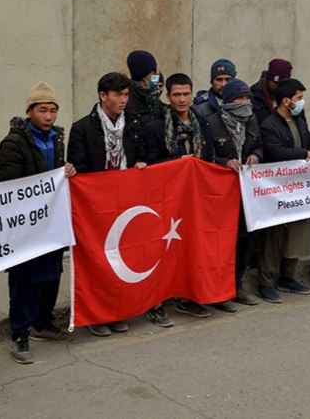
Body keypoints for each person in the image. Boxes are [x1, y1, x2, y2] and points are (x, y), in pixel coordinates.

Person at [0, 81, 76, 364]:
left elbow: (57, 176)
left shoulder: (57, 138)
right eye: (43, 110)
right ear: (30, 111)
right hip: (25, 226)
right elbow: (7, 185)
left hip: (52, 222)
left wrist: (67, 170)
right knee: (25, 280)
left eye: (53, 110)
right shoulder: (14, 143)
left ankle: (43, 322)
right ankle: (19, 335)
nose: (49, 116)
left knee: (52, 274)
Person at [67, 71, 150, 334]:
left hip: (126, 201)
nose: (123, 100)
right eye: (117, 95)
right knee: (97, 260)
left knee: (123, 257)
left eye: (126, 95)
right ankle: (96, 316)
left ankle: (118, 311)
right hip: (96, 206)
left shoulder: (135, 123)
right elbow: (78, 168)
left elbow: (142, 154)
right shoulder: (82, 128)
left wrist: (140, 164)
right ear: (103, 96)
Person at [142, 73, 215, 317]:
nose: (182, 99)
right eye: (176, 95)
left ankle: (187, 296)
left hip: (194, 199)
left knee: (189, 250)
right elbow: (151, 163)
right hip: (165, 199)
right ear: (168, 96)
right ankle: (156, 303)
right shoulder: (155, 127)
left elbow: (210, 159)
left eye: (186, 94)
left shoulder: (203, 124)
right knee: (161, 251)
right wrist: (179, 163)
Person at [202, 78, 263, 310]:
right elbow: (204, 157)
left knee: (244, 241)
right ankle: (219, 292)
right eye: (239, 99)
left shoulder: (251, 120)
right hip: (220, 196)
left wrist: (256, 155)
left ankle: (237, 286)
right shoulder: (212, 123)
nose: (245, 103)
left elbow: (259, 145)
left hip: (246, 195)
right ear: (228, 102)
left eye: (247, 98)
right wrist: (224, 162)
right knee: (222, 243)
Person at [257, 78, 310, 303]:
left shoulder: (300, 119)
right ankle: (266, 282)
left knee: (297, 233)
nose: (302, 102)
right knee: (274, 238)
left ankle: (288, 276)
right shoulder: (269, 124)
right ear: (286, 101)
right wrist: (303, 155)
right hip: (279, 189)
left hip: (300, 188)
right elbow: (275, 152)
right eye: (299, 98)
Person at [125, 50, 165, 125]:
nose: (157, 74)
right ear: (147, 74)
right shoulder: (128, 99)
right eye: (154, 72)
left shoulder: (150, 93)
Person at [192, 58, 236, 123]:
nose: (223, 84)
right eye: (219, 80)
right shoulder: (199, 108)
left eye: (228, 79)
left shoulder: (242, 102)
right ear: (211, 81)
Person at [249, 58, 293, 124]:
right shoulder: (252, 96)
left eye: (282, 83)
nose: (279, 87)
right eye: (276, 83)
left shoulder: (291, 96)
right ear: (268, 78)